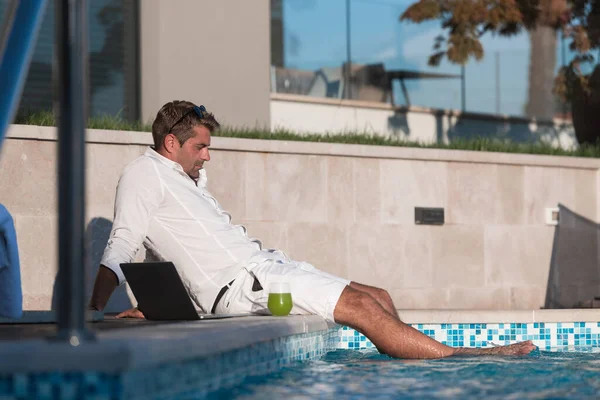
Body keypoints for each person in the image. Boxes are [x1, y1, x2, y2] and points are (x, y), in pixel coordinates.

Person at [89, 100, 536, 359]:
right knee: (360, 306)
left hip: (263, 269)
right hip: (247, 285)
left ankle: (410, 363)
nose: (207, 156)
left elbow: (170, 247)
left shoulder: (181, 180)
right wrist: (92, 312)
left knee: (377, 295)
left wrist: (157, 305)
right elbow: (124, 242)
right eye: (200, 147)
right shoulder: (143, 174)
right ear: (171, 143)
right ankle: (459, 360)